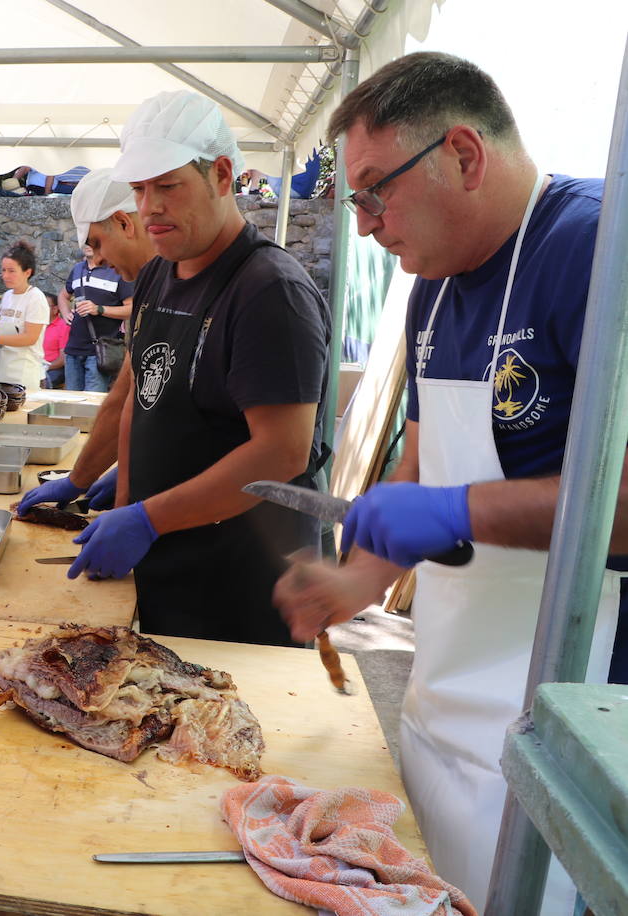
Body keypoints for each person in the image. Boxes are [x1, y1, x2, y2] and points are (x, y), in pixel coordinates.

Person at [272, 52, 625, 912]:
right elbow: (423, 459)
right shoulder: (432, 285)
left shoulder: (597, 249)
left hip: (574, 725)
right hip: (444, 706)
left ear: (464, 155)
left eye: (370, 193)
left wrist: (455, 511)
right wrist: (359, 575)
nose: (362, 226)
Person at [16, 92, 330, 646]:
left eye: (168, 185)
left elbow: (281, 452)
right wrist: (123, 501)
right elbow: (139, 396)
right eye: (139, 190)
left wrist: (147, 518)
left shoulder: (268, 290)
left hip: (246, 581)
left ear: (223, 175)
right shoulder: (162, 274)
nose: (150, 206)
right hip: (171, 565)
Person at [0, 240, 49, 391]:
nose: (5, 275)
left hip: (25, 372)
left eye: (11, 271)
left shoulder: (35, 298)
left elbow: (30, 337)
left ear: (27, 272)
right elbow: (7, 330)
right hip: (4, 371)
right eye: (3, 270)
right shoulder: (7, 296)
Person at [59, 243, 133, 392]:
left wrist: (99, 309)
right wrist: (65, 312)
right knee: (71, 406)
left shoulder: (116, 271)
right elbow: (63, 295)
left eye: (92, 239)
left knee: (91, 407)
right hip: (73, 349)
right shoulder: (77, 269)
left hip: (100, 351)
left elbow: (131, 309)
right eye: (85, 240)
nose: (87, 244)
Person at [42, 294, 71, 388]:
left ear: (55, 309)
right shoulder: (35, 326)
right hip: (33, 367)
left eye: (43, 306)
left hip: (54, 368)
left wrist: (44, 368)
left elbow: (63, 359)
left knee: (41, 382)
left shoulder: (64, 326)